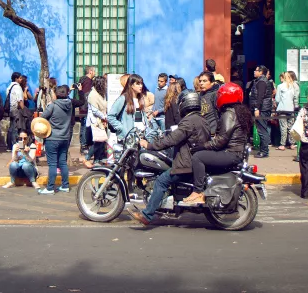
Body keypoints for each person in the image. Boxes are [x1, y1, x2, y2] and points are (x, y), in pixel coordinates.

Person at [126, 90, 211, 225]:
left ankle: (147, 215)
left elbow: (171, 139)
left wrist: (149, 145)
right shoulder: (201, 119)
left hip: (186, 163)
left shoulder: (188, 121)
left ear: (185, 104)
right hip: (192, 160)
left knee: (161, 181)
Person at [183, 83, 252, 205]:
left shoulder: (229, 114)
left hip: (230, 153)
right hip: (235, 152)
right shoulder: (238, 112)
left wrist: (203, 145)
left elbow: (221, 140)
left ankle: (198, 192)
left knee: (197, 157)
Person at [39, 84, 86, 194]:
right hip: (65, 138)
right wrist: (80, 91)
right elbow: (82, 102)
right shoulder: (70, 104)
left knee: (52, 164)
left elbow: (42, 118)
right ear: (67, 94)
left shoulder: (53, 106)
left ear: (56, 94)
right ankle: (65, 185)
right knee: (63, 163)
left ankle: (50, 188)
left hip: (52, 138)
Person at [108, 74, 147, 141]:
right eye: (138, 84)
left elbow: (140, 118)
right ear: (131, 85)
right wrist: (121, 128)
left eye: (141, 83)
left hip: (141, 136)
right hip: (128, 137)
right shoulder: (123, 98)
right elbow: (110, 116)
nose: (141, 86)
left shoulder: (140, 99)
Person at [84, 75, 109, 168]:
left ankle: (96, 160)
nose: (106, 85)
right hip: (95, 122)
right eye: (105, 83)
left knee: (101, 141)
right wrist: (104, 117)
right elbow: (95, 110)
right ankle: (87, 158)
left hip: (101, 121)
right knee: (98, 141)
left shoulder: (102, 93)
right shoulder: (93, 95)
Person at [248, 65, 273, 158]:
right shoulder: (259, 81)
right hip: (263, 108)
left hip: (262, 109)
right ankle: (263, 150)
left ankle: (264, 151)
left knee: (262, 130)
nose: (254, 71)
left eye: (256, 70)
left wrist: (257, 108)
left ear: (261, 72)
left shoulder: (262, 82)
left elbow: (260, 97)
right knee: (262, 129)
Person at [275, 72, 296, 151]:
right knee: (290, 127)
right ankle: (292, 144)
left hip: (282, 109)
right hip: (291, 109)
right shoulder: (293, 86)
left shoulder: (280, 86)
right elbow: (295, 98)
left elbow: (277, 99)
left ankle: (282, 144)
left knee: (283, 127)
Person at [4, 72, 24, 151]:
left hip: (11, 109)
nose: (21, 79)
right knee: (16, 128)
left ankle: (9, 146)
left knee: (11, 127)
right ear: (16, 79)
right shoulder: (17, 87)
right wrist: (24, 110)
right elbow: (20, 100)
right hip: (16, 109)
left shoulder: (9, 87)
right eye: (20, 78)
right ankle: (15, 145)